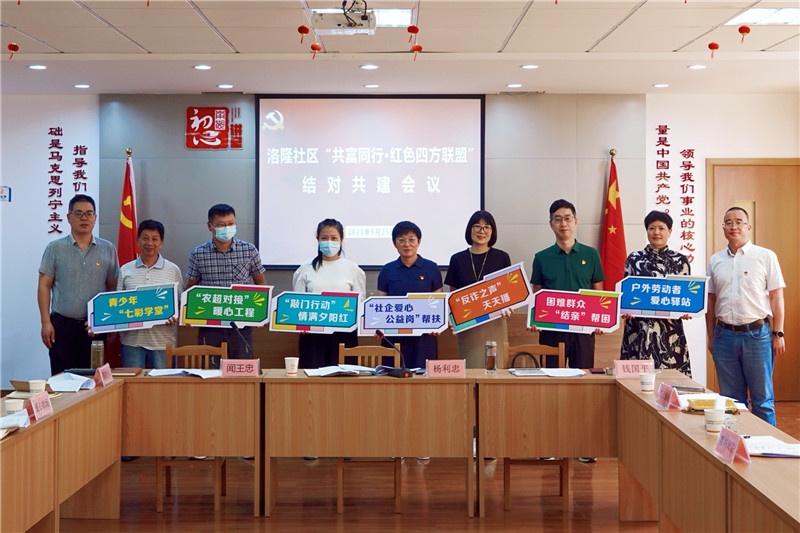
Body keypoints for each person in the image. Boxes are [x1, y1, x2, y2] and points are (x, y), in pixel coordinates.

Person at [706, 206, 785, 426]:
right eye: (728, 222)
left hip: (757, 336)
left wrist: (778, 333)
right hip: (724, 336)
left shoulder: (765, 256)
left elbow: (777, 297)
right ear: (723, 228)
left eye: (739, 221)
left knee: (763, 401)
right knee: (731, 402)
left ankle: (766, 444)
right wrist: (711, 337)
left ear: (748, 226)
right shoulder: (715, 261)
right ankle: (737, 443)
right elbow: (710, 301)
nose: (734, 226)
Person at [38, 194, 119, 375]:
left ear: (95, 218)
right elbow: (44, 286)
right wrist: (45, 322)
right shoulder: (55, 248)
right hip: (61, 326)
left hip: (95, 327)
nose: (84, 218)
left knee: (92, 380)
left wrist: (109, 322)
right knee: (61, 379)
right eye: (79, 213)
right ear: (69, 217)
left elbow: (113, 287)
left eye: (89, 214)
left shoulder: (108, 249)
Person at [185, 204, 267, 360]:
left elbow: (261, 284)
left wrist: (261, 313)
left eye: (231, 224)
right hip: (210, 324)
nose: (227, 228)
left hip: (241, 324)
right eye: (221, 225)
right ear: (210, 226)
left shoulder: (249, 250)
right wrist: (187, 313)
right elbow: (191, 288)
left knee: (242, 369)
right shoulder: (198, 253)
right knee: (210, 369)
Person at [530, 199, 605, 370]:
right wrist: (534, 318)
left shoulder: (591, 254)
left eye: (567, 218)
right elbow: (537, 293)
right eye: (557, 219)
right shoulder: (541, 257)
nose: (563, 223)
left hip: (583, 329)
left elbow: (598, 290)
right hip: (551, 330)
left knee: (583, 377)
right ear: (551, 224)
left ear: (575, 221)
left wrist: (599, 321)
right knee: (550, 377)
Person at [620, 211, 692, 377]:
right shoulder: (634, 259)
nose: (656, 232)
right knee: (635, 382)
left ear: (670, 231)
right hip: (638, 329)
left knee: (671, 381)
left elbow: (686, 296)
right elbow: (626, 293)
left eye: (661, 228)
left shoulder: (680, 260)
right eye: (652, 228)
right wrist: (625, 309)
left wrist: (687, 310)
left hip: (669, 331)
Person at [293, 218, 366, 369]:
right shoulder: (305, 269)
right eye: (324, 238)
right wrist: (300, 325)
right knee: (312, 377)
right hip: (313, 336)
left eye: (334, 238)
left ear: (341, 240)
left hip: (344, 335)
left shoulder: (353, 269)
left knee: (343, 377)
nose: (329, 242)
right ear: (318, 240)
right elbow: (297, 304)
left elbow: (360, 304)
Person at [445, 210, 512, 368]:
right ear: (470, 229)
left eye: (487, 227)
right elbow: (453, 295)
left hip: (495, 323)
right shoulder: (457, 259)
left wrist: (509, 307)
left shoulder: (502, 257)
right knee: (470, 368)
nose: (482, 231)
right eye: (477, 226)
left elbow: (509, 292)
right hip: (467, 324)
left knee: (496, 369)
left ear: (492, 231)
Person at [117, 220, 184, 369]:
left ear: (161, 242)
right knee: (132, 384)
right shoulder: (125, 269)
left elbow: (182, 303)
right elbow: (117, 305)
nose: (149, 243)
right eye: (145, 238)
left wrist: (175, 316)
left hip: (163, 342)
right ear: (138, 240)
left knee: (163, 383)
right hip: (132, 342)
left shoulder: (173, 270)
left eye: (155, 239)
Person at [377, 221, 443, 369]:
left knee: (423, 376)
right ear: (394, 243)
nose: (407, 244)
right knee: (393, 376)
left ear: (419, 242)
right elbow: (380, 304)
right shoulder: (387, 270)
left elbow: (438, 302)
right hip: (394, 337)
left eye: (412, 240)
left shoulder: (431, 268)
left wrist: (437, 325)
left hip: (424, 337)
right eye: (401, 240)